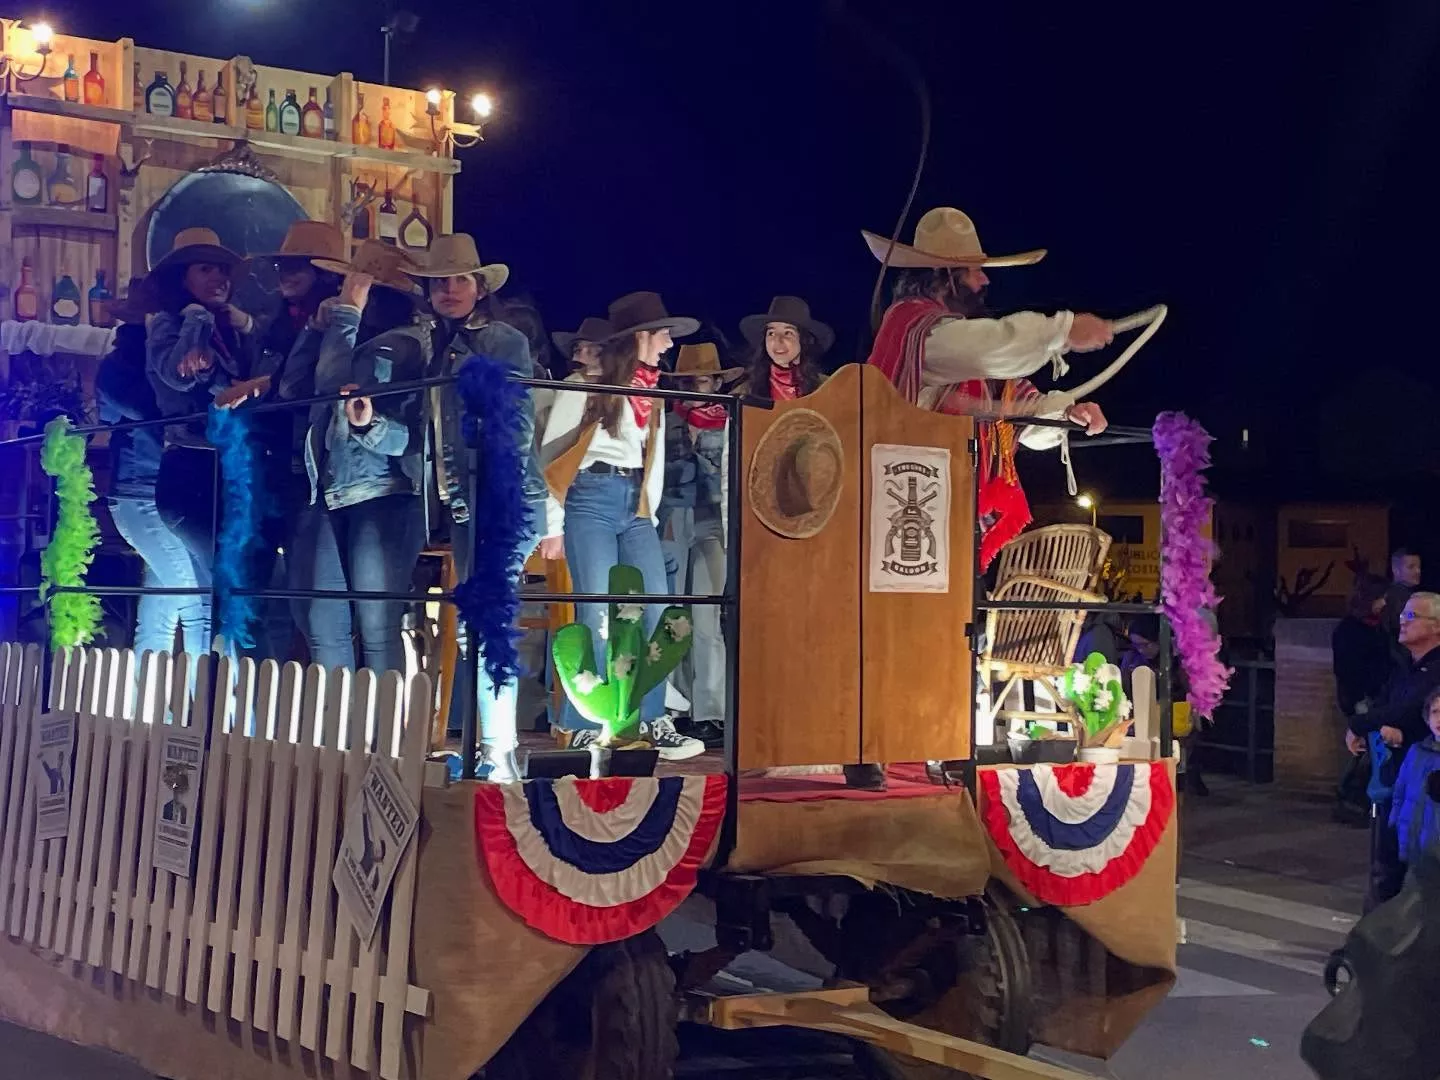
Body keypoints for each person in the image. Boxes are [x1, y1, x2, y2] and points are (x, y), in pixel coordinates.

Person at [863, 207, 1114, 568]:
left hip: (949, 509)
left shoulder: (956, 343)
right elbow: (987, 348)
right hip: (907, 508)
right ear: (947, 277)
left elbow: (1017, 413)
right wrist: (1061, 331)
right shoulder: (914, 328)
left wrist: (1067, 413)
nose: (985, 281)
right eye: (976, 271)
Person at [540, 291, 705, 761]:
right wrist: (552, 526)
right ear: (640, 338)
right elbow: (551, 458)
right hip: (590, 497)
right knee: (596, 610)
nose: (669, 343)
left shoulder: (650, 391)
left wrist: (647, 513)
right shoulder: (586, 386)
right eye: (662, 334)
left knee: (657, 609)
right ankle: (583, 726)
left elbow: (649, 463)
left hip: (634, 506)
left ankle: (651, 720)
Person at [408, 233, 549, 782]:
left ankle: (498, 752)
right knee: (476, 621)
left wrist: (491, 489)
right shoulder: (427, 344)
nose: (449, 290)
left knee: (487, 622)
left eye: (459, 280)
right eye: (440, 282)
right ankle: (490, 748)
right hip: (459, 502)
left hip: (500, 497)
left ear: (478, 287)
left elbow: (513, 423)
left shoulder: (501, 338)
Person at [288, 239, 429, 676]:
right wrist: (315, 330)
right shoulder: (344, 337)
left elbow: (336, 384)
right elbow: (292, 388)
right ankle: (342, 734)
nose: (340, 289)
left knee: (376, 625)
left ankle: (384, 737)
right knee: (323, 620)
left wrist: (347, 314)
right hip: (328, 490)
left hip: (384, 494)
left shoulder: (400, 345)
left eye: (352, 283)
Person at [145, 227, 260, 619]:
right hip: (190, 471)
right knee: (230, 581)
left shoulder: (227, 326)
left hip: (223, 468)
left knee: (222, 586)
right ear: (183, 279)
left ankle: (221, 675)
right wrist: (196, 319)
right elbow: (178, 375)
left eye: (222, 271)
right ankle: (224, 676)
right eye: (205, 270)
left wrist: (244, 327)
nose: (218, 279)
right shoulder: (169, 323)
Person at [98, 281, 211, 661]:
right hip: (142, 493)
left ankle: (145, 713)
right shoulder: (123, 369)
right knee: (196, 604)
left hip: (152, 491)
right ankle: (210, 713)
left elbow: (111, 415)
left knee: (163, 605)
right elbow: (152, 414)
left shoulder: (130, 367)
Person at [659, 343, 743, 745]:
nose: (696, 387)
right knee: (671, 615)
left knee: (708, 618)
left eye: (703, 379)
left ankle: (711, 711)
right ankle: (672, 707)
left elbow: (731, 475)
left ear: (716, 382)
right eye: (689, 381)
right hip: (673, 519)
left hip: (714, 520)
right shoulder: (665, 417)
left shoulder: (729, 421)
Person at [1346, 591, 1440, 911]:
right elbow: (1386, 704)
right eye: (1402, 615)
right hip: (1395, 776)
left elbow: (1408, 710)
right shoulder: (1404, 667)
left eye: (1412, 617)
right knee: (1385, 857)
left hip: (1426, 781)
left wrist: (1361, 724)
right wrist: (1362, 725)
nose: (1402, 621)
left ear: (1436, 626)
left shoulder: (1436, 669)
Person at [1333, 574, 1396, 817]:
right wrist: (1360, 699)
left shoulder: (1375, 625)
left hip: (1375, 695)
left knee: (1367, 749)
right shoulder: (1350, 629)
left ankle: (1351, 795)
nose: (1383, 604)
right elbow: (1347, 669)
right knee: (1364, 748)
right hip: (1361, 698)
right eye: (1380, 598)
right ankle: (1348, 795)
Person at [1387, 686, 1440, 887]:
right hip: (1414, 840)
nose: (1439, 718)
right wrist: (1396, 820)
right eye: (1435, 712)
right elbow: (1401, 788)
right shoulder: (1417, 751)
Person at [737, 295, 832, 402]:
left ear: (805, 340)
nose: (777, 340)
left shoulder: (827, 388)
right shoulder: (746, 392)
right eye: (771, 333)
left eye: (788, 333)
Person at [537, 316, 610, 434]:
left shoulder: (620, 402)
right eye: (577, 350)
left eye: (592, 351)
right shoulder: (549, 396)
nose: (579, 358)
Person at [1382, 547, 1422, 659]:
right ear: (1396, 570)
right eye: (1411, 567)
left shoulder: (1403, 594)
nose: (1417, 571)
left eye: (1419, 567)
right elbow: (1407, 619)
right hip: (1401, 658)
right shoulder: (1398, 597)